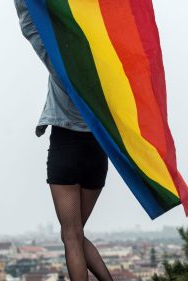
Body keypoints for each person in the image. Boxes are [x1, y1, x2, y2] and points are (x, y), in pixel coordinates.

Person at [13, 1, 113, 281]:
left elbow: (29, 26)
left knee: (71, 236)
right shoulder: (107, 70)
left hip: (65, 148)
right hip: (97, 151)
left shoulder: (59, 60)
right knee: (77, 234)